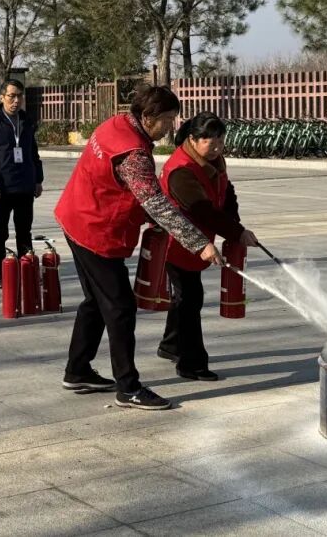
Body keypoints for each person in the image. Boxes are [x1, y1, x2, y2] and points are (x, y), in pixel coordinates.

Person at [54, 84, 223, 411]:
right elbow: (155, 202)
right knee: (120, 308)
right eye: (168, 119)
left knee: (96, 301)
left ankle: (77, 371)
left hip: (75, 216)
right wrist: (199, 244)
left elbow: (129, 189)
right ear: (147, 117)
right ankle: (128, 388)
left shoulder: (116, 124)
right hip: (95, 230)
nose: (171, 126)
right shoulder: (133, 153)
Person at [157, 111, 260, 381]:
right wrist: (236, 232)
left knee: (184, 297)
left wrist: (236, 228)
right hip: (178, 243)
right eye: (210, 142)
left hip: (199, 242)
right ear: (193, 139)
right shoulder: (181, 170)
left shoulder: (212, 161)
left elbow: (226, 193)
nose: (216, 148)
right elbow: (204, 211)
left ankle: (170, 345)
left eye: (220, 142)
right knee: (191, 299)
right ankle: (191, 363)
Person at [0, 79, 44, 289]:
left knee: (24, 230)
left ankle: (27, 269)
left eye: (19, 96)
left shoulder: (26, 121)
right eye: (11, 96)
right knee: (0, 231)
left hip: (25, 185)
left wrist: (38, 179)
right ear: (2, 97)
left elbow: (33, 153)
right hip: (3, 188)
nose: (16, 101)